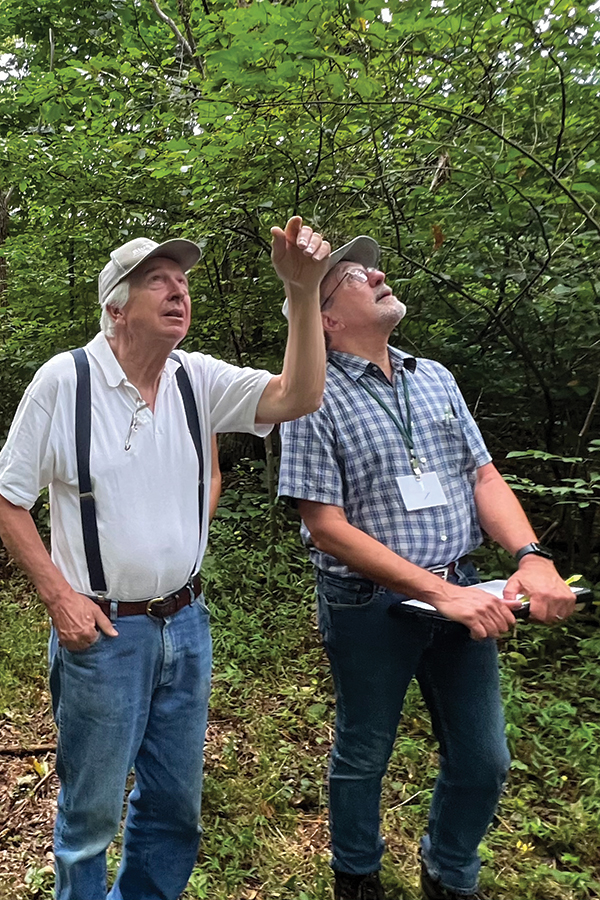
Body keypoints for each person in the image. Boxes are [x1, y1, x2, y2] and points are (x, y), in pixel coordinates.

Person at [0, 216, 330, 900]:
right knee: (89, 816)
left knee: (174, 808)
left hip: (187, 623)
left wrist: (302, 293)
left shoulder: (195, 379)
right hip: (104, 636)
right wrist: (61, 597)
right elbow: (7, 500)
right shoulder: (65, 383)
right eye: (159, 280)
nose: (179, 291)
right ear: (115, 306)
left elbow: (298, 396)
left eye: (183, 281)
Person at [278, 235, 576, 900]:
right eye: (357, 275)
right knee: (365, 752)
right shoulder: (309, 394)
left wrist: (530, 557)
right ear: (328, 318)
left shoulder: (435, 376)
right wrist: (440, 594)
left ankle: (449, 873)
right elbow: (325, 527)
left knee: (484, 758)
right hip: (368, 606)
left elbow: (483, 476)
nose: (379, 274)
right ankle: (357, 879)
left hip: (465, 589)